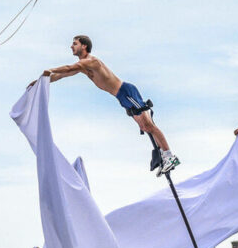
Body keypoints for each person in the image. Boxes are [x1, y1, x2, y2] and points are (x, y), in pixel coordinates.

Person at [33, 35, 180, 176]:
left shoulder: (91, 61)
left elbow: (67, 68)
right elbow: (61, 75)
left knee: (149, 125)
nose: (71, 46)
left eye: (75, 43)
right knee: (145, 127)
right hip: (121, 97)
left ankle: (169, 156)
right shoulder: (82, 67)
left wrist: (50, 69)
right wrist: (40, 82)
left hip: (126, 91)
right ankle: (163, 155)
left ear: (84, 46)